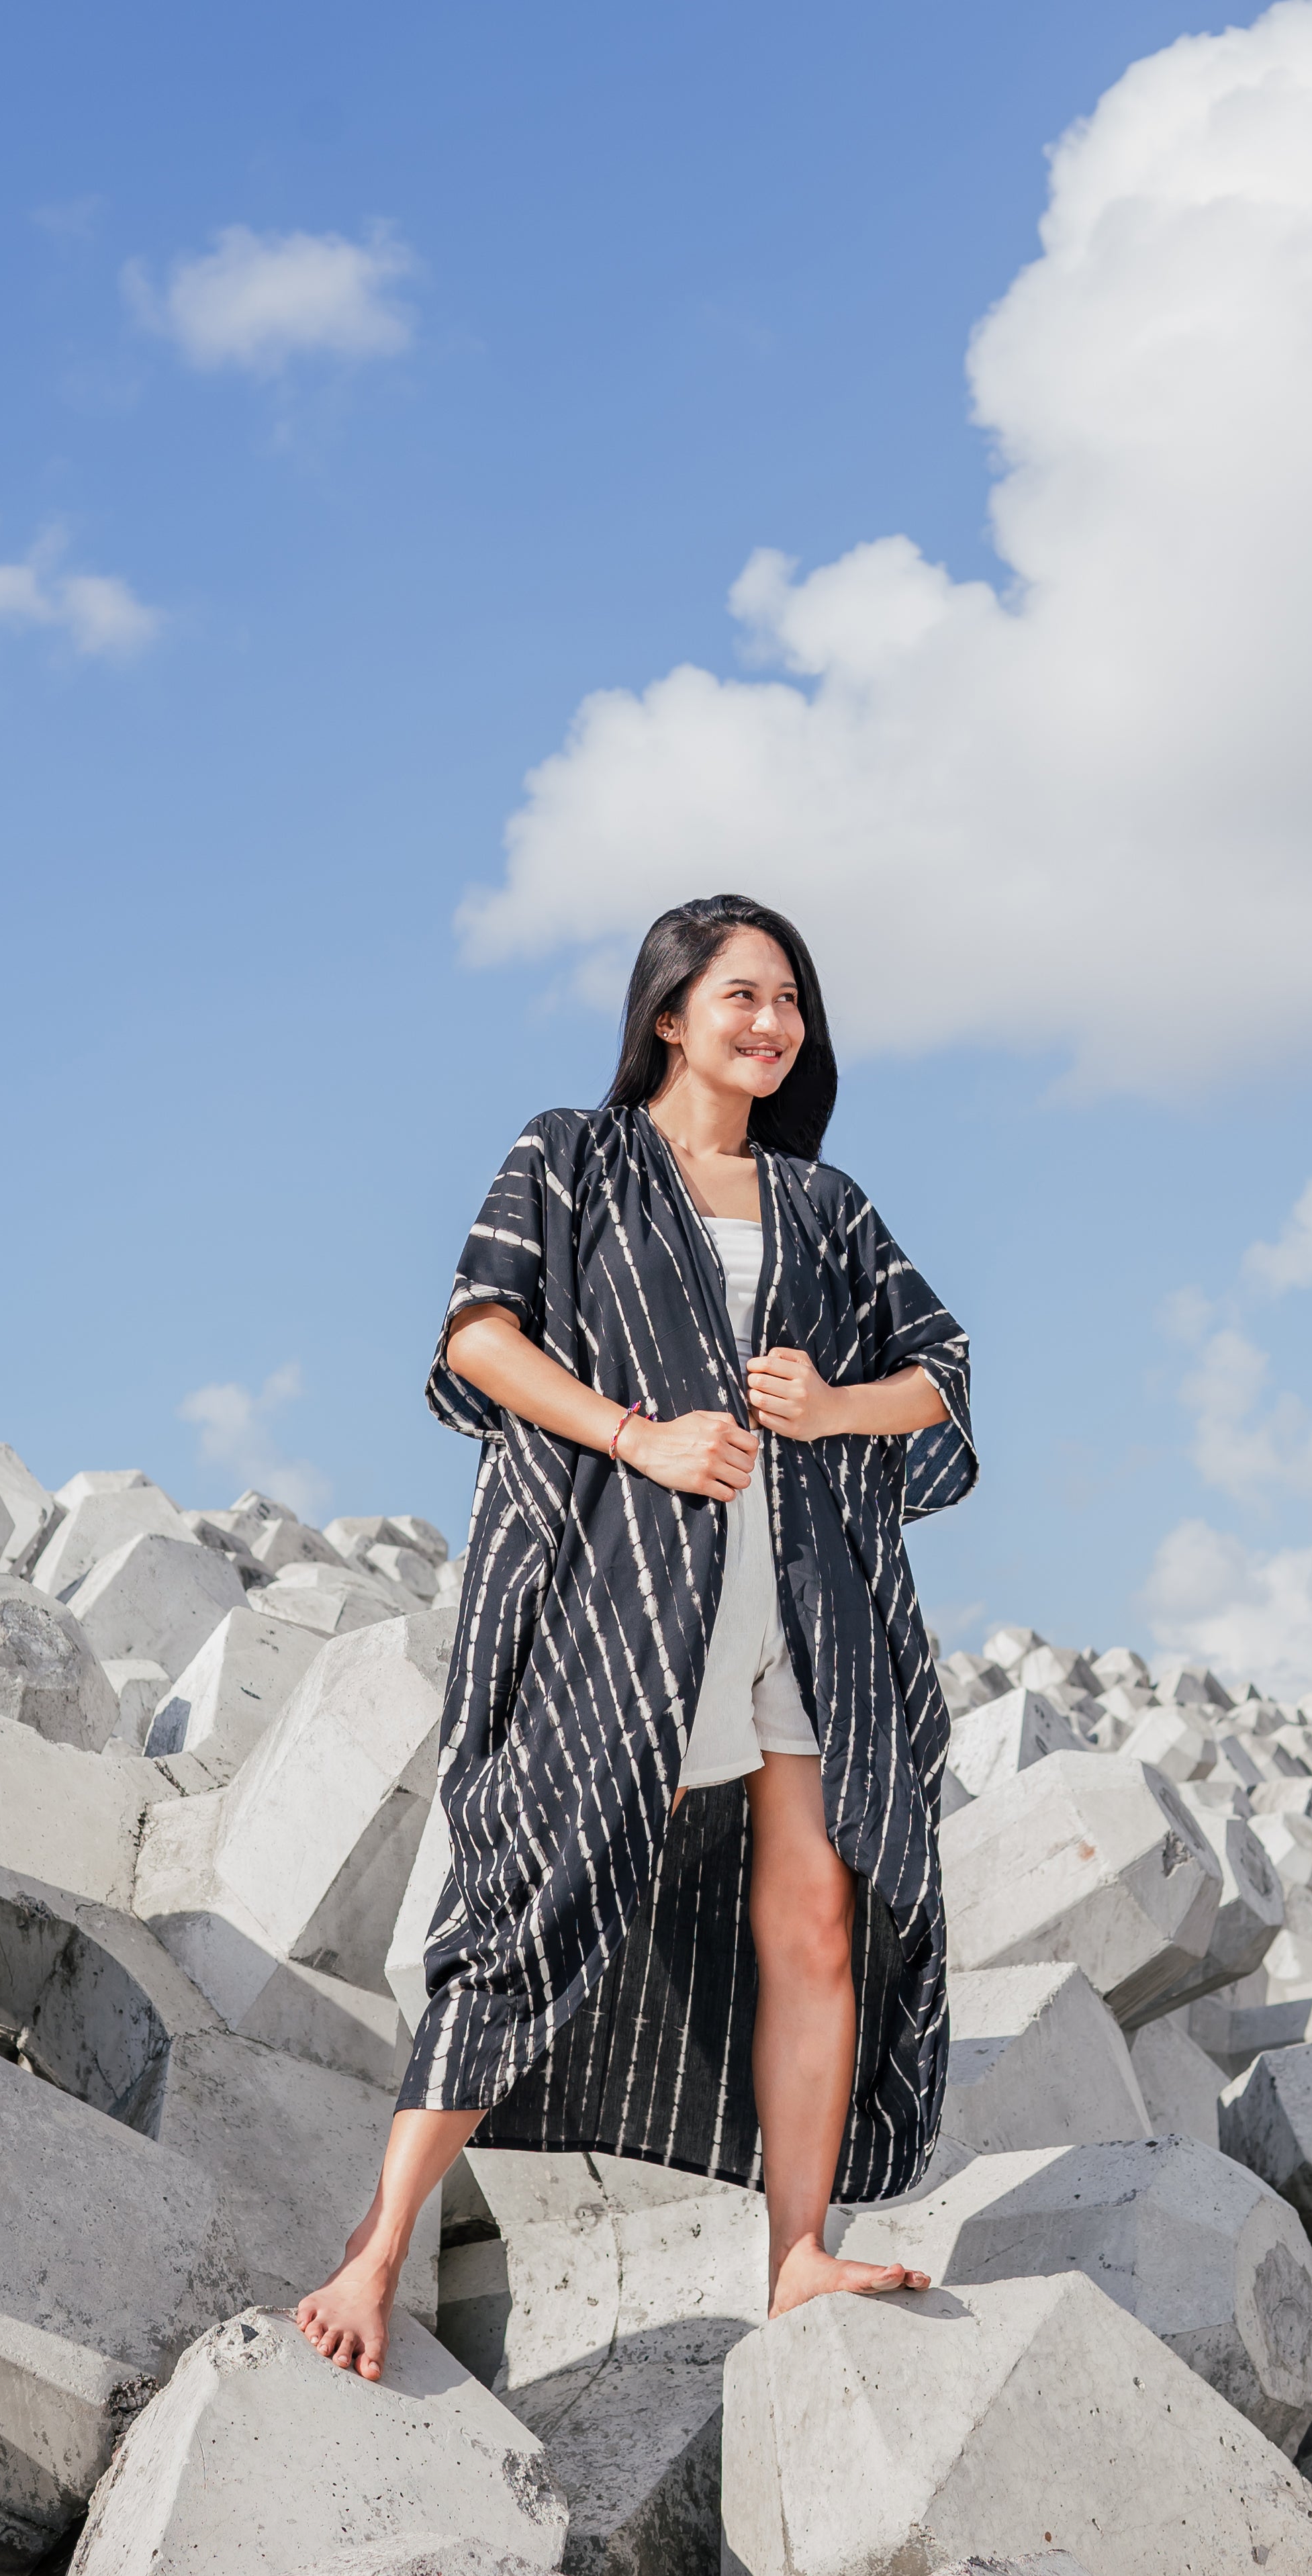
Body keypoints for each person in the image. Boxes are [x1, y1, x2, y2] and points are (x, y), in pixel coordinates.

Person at [297, 894, 977, 2381]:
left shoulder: (823, 1204)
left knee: (816, 1921)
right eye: (743, 994)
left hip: (809, 1600)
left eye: (790, 1000)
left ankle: (798, 2256)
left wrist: (830, 1408)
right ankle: (379, 2244)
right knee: (542, 1890)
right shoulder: (571, 1154)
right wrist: (638, 1436)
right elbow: (479, 1336)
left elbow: (940, 1370)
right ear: (669, 1014)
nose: (773, 1023)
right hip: (627, 1588)